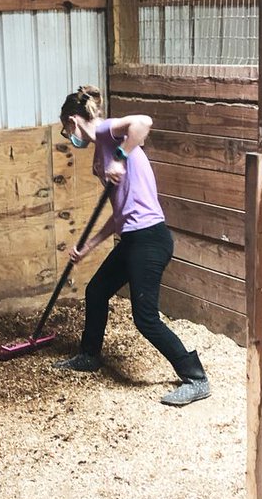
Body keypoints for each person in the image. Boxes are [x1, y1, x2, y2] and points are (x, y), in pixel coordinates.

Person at [54, 85, 209, 407]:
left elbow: (144, 121)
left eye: (66, 131)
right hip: (132, 237)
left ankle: (195, 377)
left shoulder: (109, 133)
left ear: (72, 121)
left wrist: (121, 158)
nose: (69, 138)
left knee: (145, 317)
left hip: (150, 238)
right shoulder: (100, 154)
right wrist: (89, 247)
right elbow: (118, 214)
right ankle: (89, 355)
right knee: (96, 291)